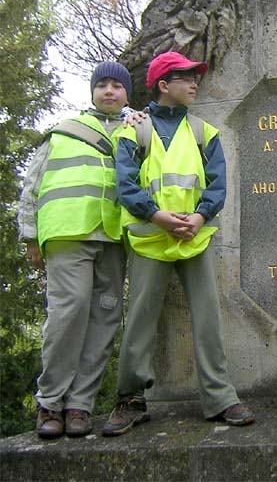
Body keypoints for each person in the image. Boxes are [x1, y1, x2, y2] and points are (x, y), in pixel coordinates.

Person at [101, 51, 254, 436]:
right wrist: (156, 216)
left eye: (195, 76)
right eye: (186, 77)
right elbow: (126, 184)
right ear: (164, 85)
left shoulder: (205, 132)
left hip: (195, 238)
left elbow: (217, 183)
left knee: (208, 318)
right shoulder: (134, 131)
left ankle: (220, 398)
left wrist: (200, 217)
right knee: (140, 319)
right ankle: (131, 400)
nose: (194, 83)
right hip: (150, 239)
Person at [18, 62, 133, 438]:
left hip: (114, 237)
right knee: (68, 313)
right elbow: (33, 184)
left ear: (127, 93)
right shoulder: (64, 130)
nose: (109, 91)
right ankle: (50, 403)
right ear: (92, 91)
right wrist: (30, 235)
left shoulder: (137, 129)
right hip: (68, 233)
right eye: (102, 85)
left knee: (105, 318)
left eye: (117, 85)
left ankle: (79, 405)